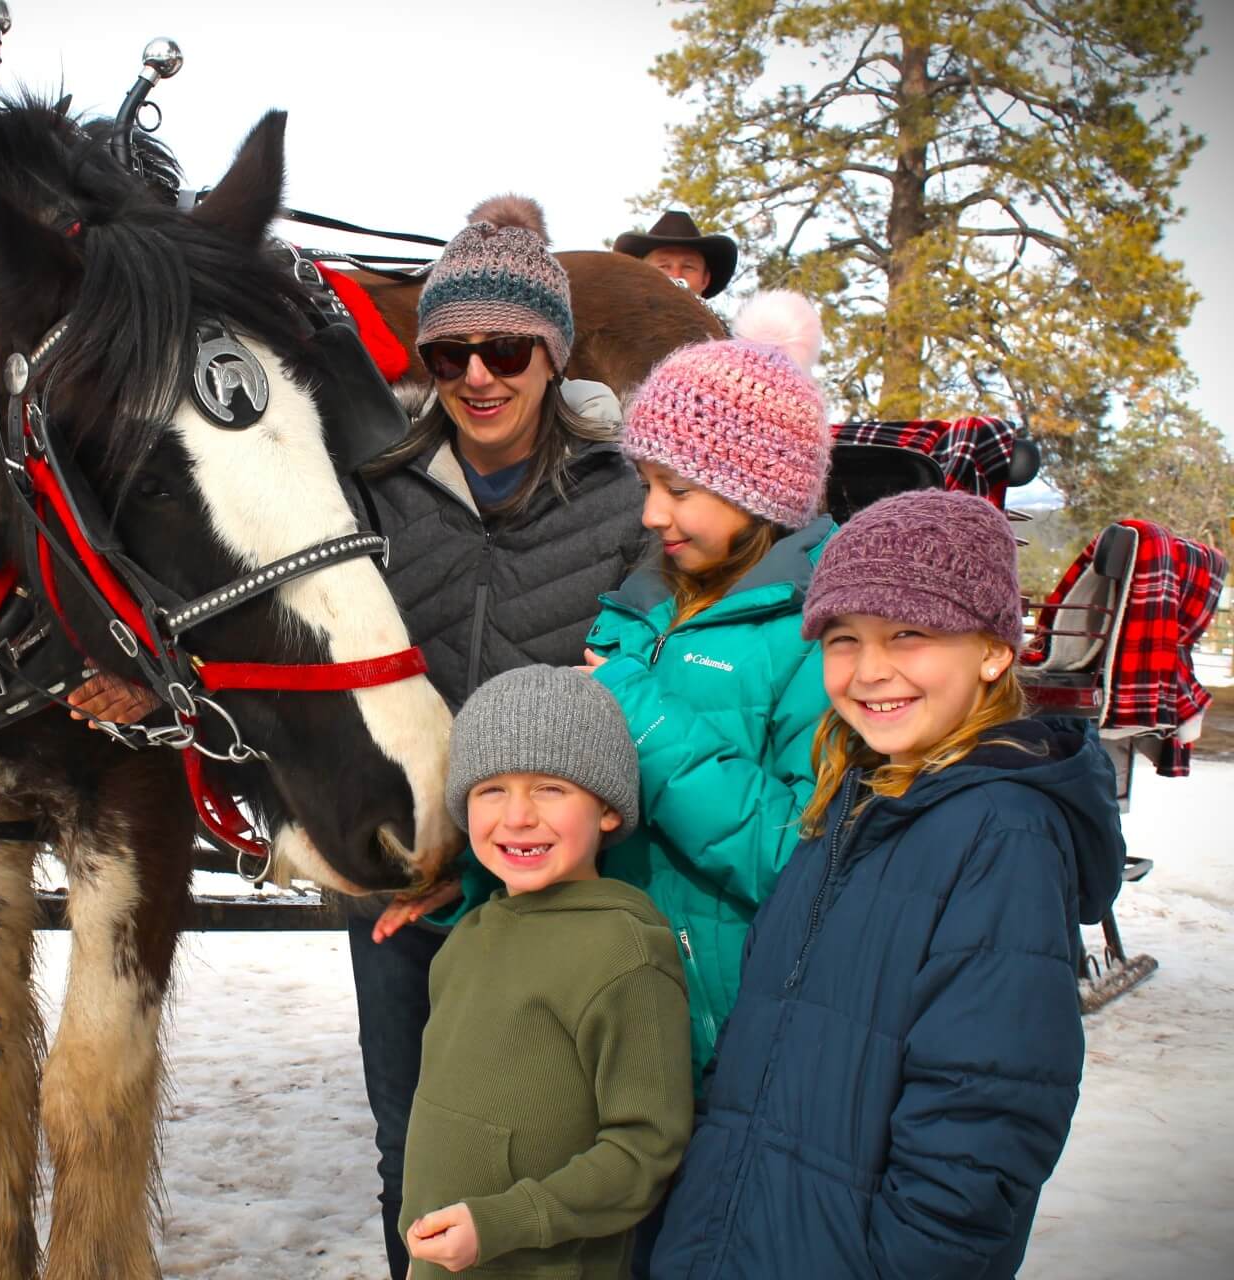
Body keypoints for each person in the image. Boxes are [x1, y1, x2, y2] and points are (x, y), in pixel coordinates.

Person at [649, 488, 1123, 1279]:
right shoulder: (853, 802)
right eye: (843, 638)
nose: (870, 671)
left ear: (993, 650)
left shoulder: (998, 833)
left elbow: (983, 1126)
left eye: (909, 634)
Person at [353, 195, 649, 1279]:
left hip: (548, 884)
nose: (478, 373)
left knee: (550, 1147)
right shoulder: (375, 493)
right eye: (450, 350)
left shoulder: (620, 501)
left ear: (553, 352)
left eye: (507, 346)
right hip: (406, 873)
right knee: (413, 1140)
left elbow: (637, 691)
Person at [580, 290, 834, 1097]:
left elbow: (797, 856)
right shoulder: (640, 604)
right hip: (612, 1013)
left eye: (678, 488)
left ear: (757, 490)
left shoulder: (819, 640)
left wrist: (640, 715)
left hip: (725, 1040)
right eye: (647, 483)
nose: (651, 512)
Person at [399, 665, 691, 1279]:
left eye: (551, 788)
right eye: (491, 790)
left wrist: (506, 1221)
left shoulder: (624, 951)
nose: (518, 816)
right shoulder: (467, 940)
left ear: (608, 808)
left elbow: (645, 1150)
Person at [613, 211, 737, 299]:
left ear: (705, 279)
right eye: (664, 266)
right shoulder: (607, 331)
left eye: (688, 267)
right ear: (640, 275)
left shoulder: (721, 334)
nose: (677, 277)